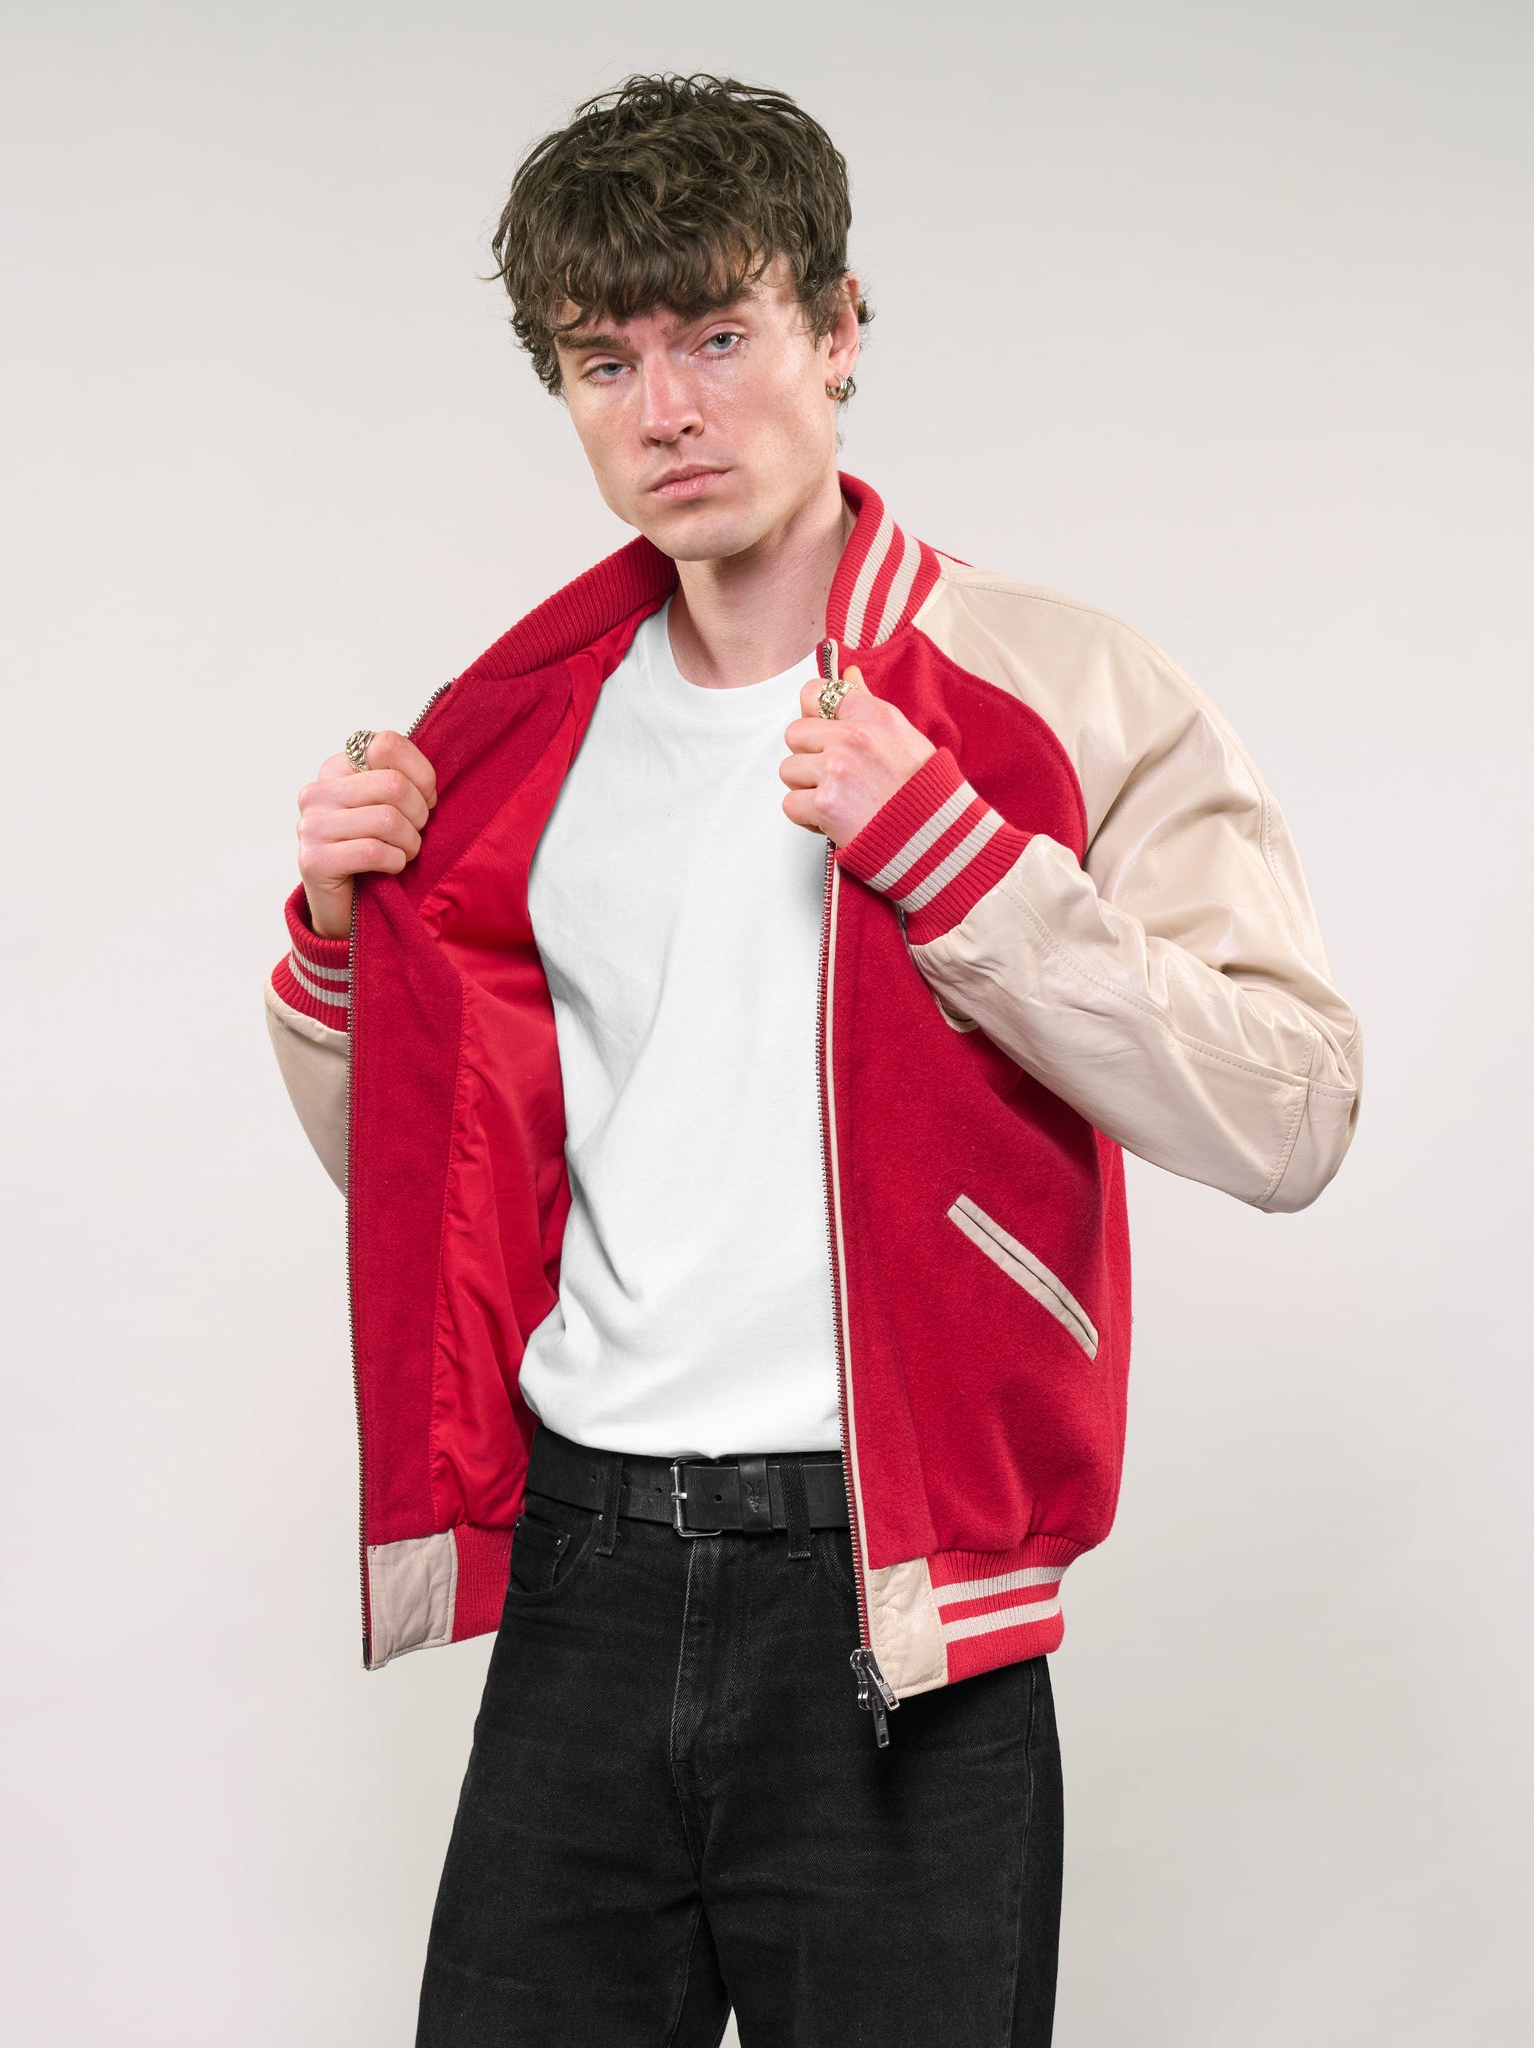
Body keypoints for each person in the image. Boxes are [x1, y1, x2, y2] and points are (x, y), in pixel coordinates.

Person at [265, 72, 1362, 2048]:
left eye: (717, 335)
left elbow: (1293, 1108)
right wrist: (344, 951)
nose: (666, 412)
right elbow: (436, 1183)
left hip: (895, 1600)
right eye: (605, 362)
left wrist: (959, 863)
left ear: (840, 329)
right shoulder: (512, 735)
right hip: (589, 1577)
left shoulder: (1055, 687)